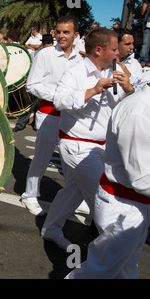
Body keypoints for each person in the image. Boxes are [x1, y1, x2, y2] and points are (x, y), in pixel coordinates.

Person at [40, 27, 135, 250]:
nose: (117, 54)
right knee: (104, 202)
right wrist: (92, 90)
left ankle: (51, 229)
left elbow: (127, 106)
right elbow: (60, 101)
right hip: (78, 147)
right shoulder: (75, 72)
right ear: (99, 50)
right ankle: (111, 254)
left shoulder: (116, 72)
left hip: (101, 148)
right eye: (113, 49)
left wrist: (129, 88)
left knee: (72, 192)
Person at [66, 71, 150, 279]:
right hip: (125, 205)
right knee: (95, 272)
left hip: (134, 203)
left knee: (126, 268)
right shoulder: (139, 112)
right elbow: (141, 178)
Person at [21, 16, 83, 216]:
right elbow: (31, 85)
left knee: (70, 161)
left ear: (76, 35)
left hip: (72, 117)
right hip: (48, 113)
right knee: (42, 157)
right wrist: (59, 97)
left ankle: (75, 197)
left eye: (66, 32)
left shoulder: (81, 59)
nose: (61, 36)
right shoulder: (45, 54)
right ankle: (29, 195)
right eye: (59, 31)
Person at [139, 0, 150, 67]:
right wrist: (144, 1)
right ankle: (143, 60)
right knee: (145, 44)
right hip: (148, 24)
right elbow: (142, 12)